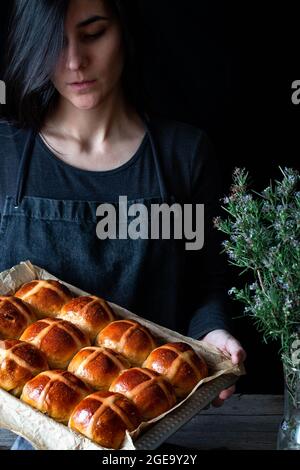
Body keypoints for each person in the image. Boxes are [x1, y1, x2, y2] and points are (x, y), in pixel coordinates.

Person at [0, 0, 246, 450]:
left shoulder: (183, 155)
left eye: (93, 33)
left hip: (144, 426)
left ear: (124, 33)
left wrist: (213, 333)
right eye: (55, 43)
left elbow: (205, 284)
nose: (74, 61)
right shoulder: (5, 153)